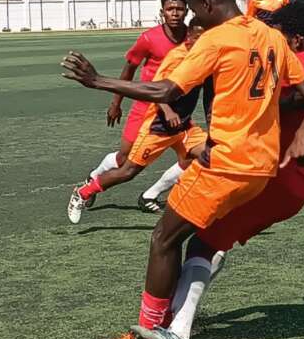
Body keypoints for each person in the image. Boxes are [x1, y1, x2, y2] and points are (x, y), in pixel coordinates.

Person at [60, 0, 304, 339]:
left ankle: (148, 337)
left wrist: (99, 81)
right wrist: (284, 121)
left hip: (226, 164)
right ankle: (174, 320)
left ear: (206, 3)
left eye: (193, 10)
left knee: (163, 238)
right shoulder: (269, 35)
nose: (191, 19)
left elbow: (166, 89)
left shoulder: (217, 40)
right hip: (261, 168)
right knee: (197, 240)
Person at [132, 1, 304, 339]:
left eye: (278, 33)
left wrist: (301, 132)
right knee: (211, 240)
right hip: (296, 190)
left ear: (294, 40)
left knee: (194, 241)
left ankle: (177, 331)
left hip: (270, 175)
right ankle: (177, 318)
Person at [68, 21, 209, 223]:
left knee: (209, 155)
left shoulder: (204, 56)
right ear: (190, 37)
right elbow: (155, 87)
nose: (202, 41)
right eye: (198, 37)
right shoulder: (176, 57)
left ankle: (154, 196)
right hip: (159, 127)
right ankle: (83, 192)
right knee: (127, 170)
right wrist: (167, 110)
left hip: (184, 126)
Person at [83, 0, 189, 213]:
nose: (175, 13)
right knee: (124, 158)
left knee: (193, 156)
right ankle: (94, 177)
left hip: (178, 112)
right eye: (170, 8)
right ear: (162, 11)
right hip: (146, 107)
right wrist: (116, 103)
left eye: (179, 9)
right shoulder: (148, 39)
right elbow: (129, 70)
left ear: (187, 10)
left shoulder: (193, 38)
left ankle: (150, 195)